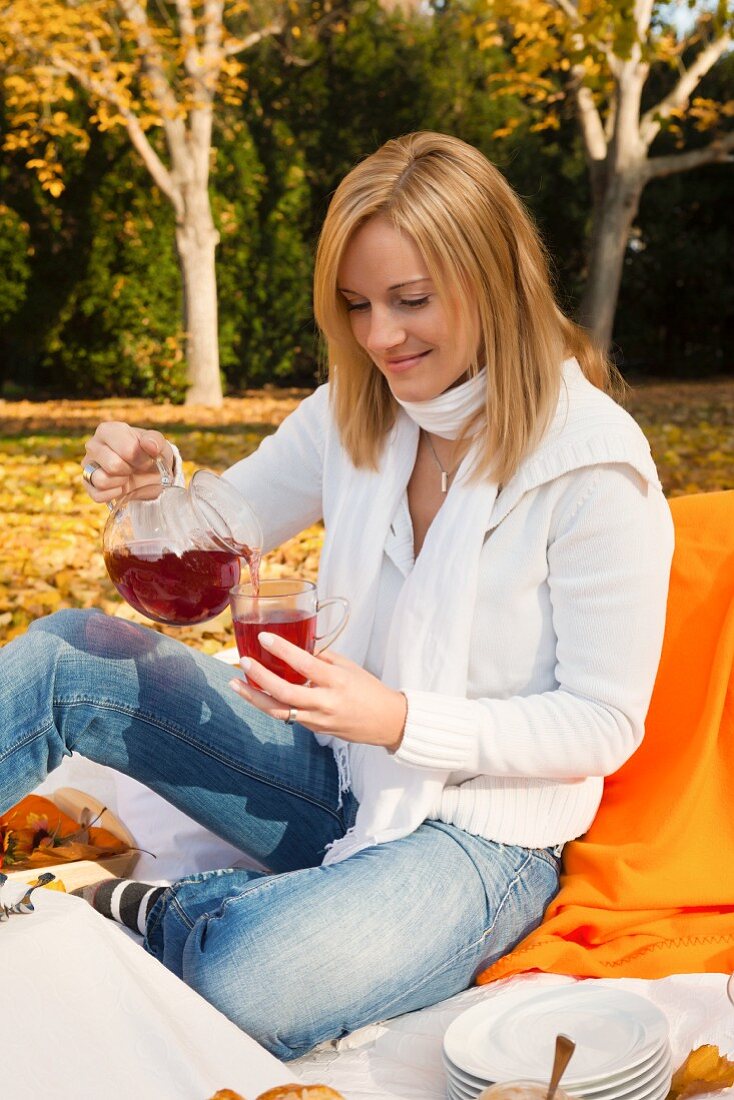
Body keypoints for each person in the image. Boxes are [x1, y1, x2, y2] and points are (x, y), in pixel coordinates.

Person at [0, 131, 674, 1061]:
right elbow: (218, 535)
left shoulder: (594, 467)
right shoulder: (354, 410)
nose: (379, 337)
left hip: (484, 837)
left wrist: (399, 718)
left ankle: (163, 914)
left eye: (410, 301)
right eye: (356, 305)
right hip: (337, 774)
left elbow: (603, 723)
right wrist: (156, 484)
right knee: (71, 653)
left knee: (255, 983)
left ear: (496, 279)